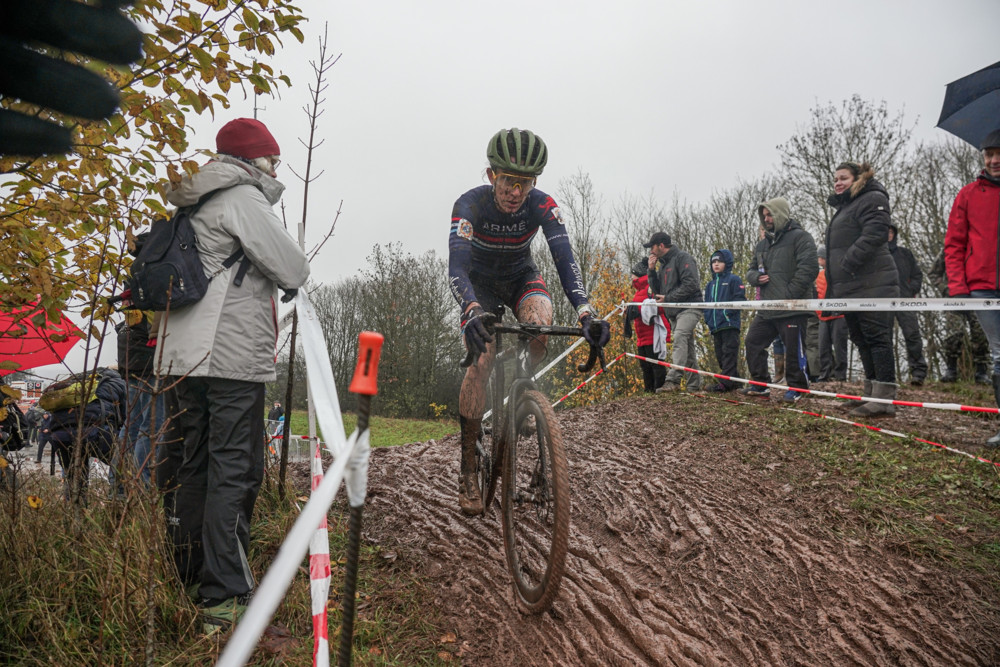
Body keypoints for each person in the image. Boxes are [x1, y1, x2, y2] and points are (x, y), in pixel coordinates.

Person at [156, 118, 310, 631]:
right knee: (235, 470)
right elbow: (292, 266)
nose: (275, 167)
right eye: (271, 158)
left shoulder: (194, 199)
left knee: (193, 464)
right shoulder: (242, 197)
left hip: (184, 356)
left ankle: (190, 577)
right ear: (253, 160)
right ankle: (224, 600)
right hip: (231, 356)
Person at [448, 128, 609, 516]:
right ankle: (468, 467)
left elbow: (564, 258)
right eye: (507, 181)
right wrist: (470, 309)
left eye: (524, 183)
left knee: (541, 326)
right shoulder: (469, 205)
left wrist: (586, 311)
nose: (515, 192)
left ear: (534, 183)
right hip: (481, 286)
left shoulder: (543, 206)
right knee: (482, 360)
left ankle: (522, 394)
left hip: (521, 277)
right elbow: (457, 266)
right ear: (491, 176)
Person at [825, 161, 900, 417]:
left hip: (874, 283)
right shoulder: (846, 206)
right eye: (835, 178)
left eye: (843, 177)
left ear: (858, 179)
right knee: (861, 339)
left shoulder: (873, 197)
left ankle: (884, 399)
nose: (838, 182)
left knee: (878, 339)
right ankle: (870, 394)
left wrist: (847, 262)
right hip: (851, 286)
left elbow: (876, 233)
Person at [944, 128, 1000, 445]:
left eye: (999, 154)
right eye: (989, 154)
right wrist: (958, 288)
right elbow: (954, 244)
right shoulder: (967, 195)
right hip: (981, 287)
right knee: (999, 353)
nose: (994, 160)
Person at [743, 197, 818, 402]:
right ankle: (760, 384)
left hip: (792, 307)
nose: (766, 219)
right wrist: (756, 278)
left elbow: (809, 268)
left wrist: (790, 293)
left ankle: (798, 388)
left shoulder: (801, 237)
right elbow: (750, 270)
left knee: (793, 351)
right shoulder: (762, 245)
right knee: (752, 342)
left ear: (780, 214)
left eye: (770, 215)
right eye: (764, 215)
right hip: (767, 307)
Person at [645, 232, 703, 392]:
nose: (651, 251)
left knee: (679, 337)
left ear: (661, 245)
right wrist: (651, 271)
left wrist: (669, 297)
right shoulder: (663, 264)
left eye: (652, 247)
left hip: (690, 307)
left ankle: (673, 380)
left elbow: (691, 284)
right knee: (687, 348)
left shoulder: (683, 258)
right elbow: (658, 291)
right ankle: (694, 385)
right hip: (674, 310)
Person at [114, 309, 164, 487]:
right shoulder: (150, 309)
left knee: (132, 426)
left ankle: (119, 485)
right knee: (151, 427)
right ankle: (144, 485)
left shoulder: (130, 319)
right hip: (149, 369)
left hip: (133, 368)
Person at [928, 249, 990, 384]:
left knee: (980, 334)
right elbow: (933, 273)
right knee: (954, 334)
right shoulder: (950, 250)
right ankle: (951, 370)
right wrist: (945, 289)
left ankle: (981, 372)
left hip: (977, 298)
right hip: (954, 298)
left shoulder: (980, 246)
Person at [887, 224, 928, 385]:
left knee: (912, 335)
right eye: (885, 232)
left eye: (891, 232)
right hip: (882, 302)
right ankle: (886, 375)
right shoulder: (876, 255)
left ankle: (918, 372)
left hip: (905, 299)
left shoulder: (905, 254)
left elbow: (917, 274)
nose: (888, 235)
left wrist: (911, 289)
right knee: (884, 339)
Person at [702, 249, 745, 392]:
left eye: (719, 261)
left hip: (729, 325)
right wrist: (708, 319)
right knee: (720, 356)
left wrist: (727, 313)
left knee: (729, 354)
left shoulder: (734, 280)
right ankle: (735, 382)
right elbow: (706, 304)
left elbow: (739, 300)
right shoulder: (710, 285)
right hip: (716, 327)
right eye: (713, 261)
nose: (716, 264)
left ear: (727, 263)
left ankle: (725, 384)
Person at [624, 261, 669, 392]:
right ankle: (648, 390)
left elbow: (660, 308)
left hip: (652, 332)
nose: (631, 277)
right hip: (641, 334)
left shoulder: (651, 288)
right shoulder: (637, 291)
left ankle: (659, 389)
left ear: (639, 274)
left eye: (633, 274)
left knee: (655, 363)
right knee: (644, 365)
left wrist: (637, 309)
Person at [815, 245, 849, 382]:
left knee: (840, 346)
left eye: (820, 258)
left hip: (839, 315)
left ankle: (841, 376)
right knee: (823, 346)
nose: (818, 260)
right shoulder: (818, 275)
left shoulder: (838, 273)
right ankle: (825, 374)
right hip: (823, 315)